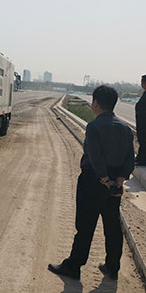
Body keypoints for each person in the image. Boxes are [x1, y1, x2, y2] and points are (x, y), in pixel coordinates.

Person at [49, 85, 135, 281]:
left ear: (95, 103)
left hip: (94, 180)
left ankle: (74, 266)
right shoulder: (125, 129)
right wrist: (119, 179)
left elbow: (94, 156)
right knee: (112, 226)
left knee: (85, 225)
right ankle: (112, 267)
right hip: (115, 184)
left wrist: (104, 179)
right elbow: (130, 159)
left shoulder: (94, 126)